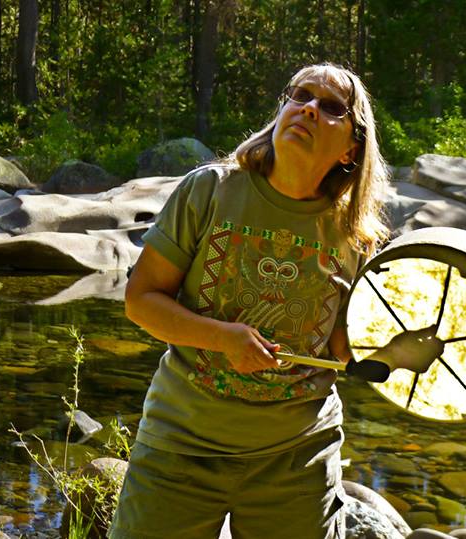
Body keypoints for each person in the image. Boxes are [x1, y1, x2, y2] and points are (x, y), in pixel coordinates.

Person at [108, 63, 390, 539]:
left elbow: (343, 352)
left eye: (330, 106)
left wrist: (399, 350)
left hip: (296, 458)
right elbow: (141, 300)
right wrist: (223, 338)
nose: (308, 109)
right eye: (299, 95)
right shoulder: (211, 190)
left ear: (351, 149)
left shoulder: (356, 237)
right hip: (182, 442)